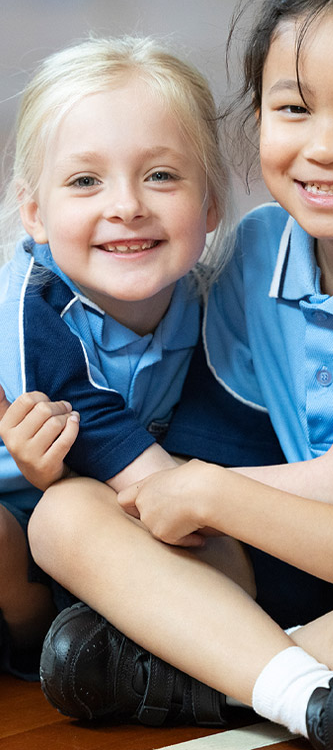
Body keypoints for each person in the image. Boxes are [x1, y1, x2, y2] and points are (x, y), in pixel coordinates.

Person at [5, 0, 333, 749]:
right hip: (253, 566)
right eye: (295, 108)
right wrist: (295, 487)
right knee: (66, 514)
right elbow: (192, 469)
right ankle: (300, 686)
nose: (327, 147)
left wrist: (218, 496)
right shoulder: (256, 251)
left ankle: (219, 678)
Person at [0, 33, 241, 680]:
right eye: (85, 180)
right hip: (33, 506)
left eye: (160, 175)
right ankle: (30, 636)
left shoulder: (209, 299)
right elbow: (120, 455)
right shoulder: (35, 305)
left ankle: (139, 648)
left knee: (228, 556)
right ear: (35, 212)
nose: (128, 206)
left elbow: (215, 444)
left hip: (123, 504)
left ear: (211, 202)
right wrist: (323, 486)